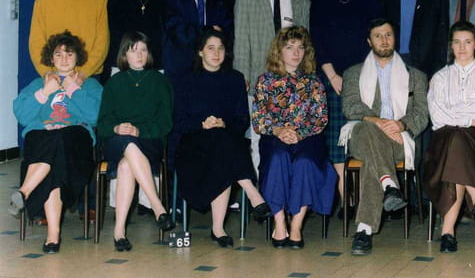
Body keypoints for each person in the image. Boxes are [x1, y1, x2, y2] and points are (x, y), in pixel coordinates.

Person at [174, 29, 270, 248]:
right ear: (200, 52)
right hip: (193, 147)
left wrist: (224, 123)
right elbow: (179, 122)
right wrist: (202, 124)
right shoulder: (186, 80)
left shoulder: (235, 79)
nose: (216, 53)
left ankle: (219, 228)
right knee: (225, 148)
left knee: (223, 145)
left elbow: (242, 121)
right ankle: (252, 194)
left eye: (220, 48)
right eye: (210, 48)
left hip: (226, 143)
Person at [341, 19, 429, 256]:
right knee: (371, 131)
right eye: (378, 36)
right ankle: (390, 185)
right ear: (369, 41)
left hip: (399, 139)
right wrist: (378, 122)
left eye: (388, 34)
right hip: (362, 134)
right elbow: (350, 107)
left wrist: (401, 124)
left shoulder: (415, 76)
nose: (384, 40)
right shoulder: (353, 73)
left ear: (395, 38)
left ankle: (364, 229)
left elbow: (421, 114)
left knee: (373, 159)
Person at [11, 32, 103, 254]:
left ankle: (24, 192)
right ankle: (53, 235)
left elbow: (96, 116)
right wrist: (45, 92)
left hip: (75, 141)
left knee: (61, 139)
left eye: (69, 54)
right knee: (51, 146)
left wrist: (73, 90)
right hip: (42, 138)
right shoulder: (38, 83)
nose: (64, 59)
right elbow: (22, 115)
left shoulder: (89, 85)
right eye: (58, 54)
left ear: (77, 57)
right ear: (51, 58)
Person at [310, 0, 383, 209]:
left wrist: (363, 78)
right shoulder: (321, 0)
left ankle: (363, 200)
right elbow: (317, 41)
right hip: (331, 79)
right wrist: (332, 76)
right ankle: (346, 199)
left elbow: (377, 40)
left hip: (364, 78)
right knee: (335, 142)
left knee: (361, 137)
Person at [252, 26, 337, 248]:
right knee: (278, 157)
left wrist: (299, 134)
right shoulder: (265, 81)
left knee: (305, 162)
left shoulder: (314, 82)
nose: (296, 53)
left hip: (308, 138)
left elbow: (320, 119)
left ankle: (296, 225)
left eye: (300, 47)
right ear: (279, 51)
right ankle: (280, 222)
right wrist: (279, 131)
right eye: (290, 47)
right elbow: (258, 119)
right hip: (275, 137)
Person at [423, 21, 475, 253]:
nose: (462, 47)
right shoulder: (440, 77)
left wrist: (456, 114)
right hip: (445, 141)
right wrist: (470, 120)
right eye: (456, 42)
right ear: (451, 45)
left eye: (467, 42)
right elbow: (437, 116)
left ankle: (447, 232)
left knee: (456, 144)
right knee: (455, 142)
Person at [233, 0, 310, 171]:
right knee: (258, 140)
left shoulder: (302, 2)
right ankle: (262, 191)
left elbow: (305, 48)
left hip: (292, 86)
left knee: (291, 140)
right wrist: (241, 76)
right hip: (256, 80)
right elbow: (241, 41)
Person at [97, 32, 175, 251]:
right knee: (127, 143)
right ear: (124, 55)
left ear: (149, 53)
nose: (139, 55)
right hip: (117, 142)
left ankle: (119, 231)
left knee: (126, 165)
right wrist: (116, 128)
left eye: (143, 50)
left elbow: (165, 123)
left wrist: (140, 131)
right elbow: (102, 124)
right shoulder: (114, 83)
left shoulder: (160, 81)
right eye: (133, 50)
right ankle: (158, 207)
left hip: (149, 142)